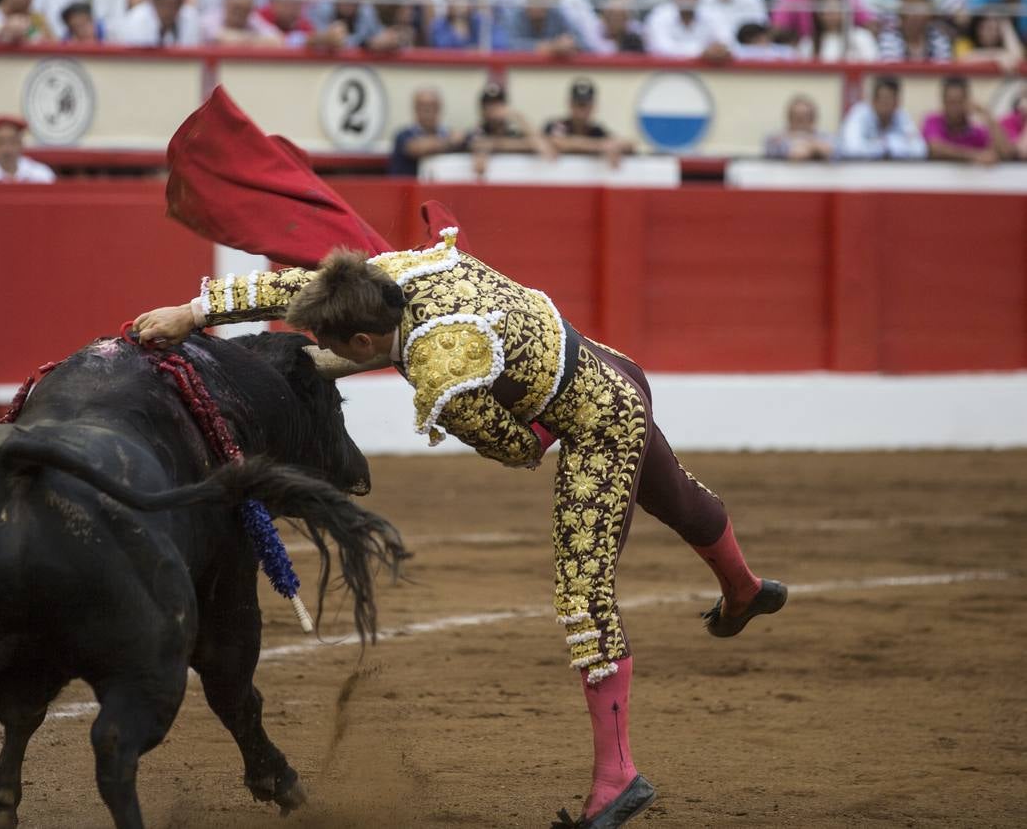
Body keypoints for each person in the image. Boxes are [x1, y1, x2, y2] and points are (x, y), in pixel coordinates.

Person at [132, 183, 787, 829]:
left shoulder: (443, 367)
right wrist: (195, 312)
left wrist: (551, 419)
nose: (325, 350)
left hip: (597, 422)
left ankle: (618, 778)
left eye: (333, 345)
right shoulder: (392, 272)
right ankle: (744, 588)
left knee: (583, 594)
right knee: (677, 498)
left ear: (364, 343)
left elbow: (517, 448)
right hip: (609, 365)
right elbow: (296, 291)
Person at [466, 82, 557, 176]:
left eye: (498, 104)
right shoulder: (477, 131)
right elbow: (479, 152)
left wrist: (518, 119)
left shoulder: (514, 132)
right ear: (482, 109)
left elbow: (546, 150)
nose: (493, 109)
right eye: (488, 105)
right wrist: (522, 145)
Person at [542, 78, 636, 166]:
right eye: (579, 104)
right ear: (570, 104)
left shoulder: (596, 131)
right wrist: (600, 146)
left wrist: (616, 146)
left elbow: (627, 144)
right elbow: (558, 142)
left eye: (586, 105)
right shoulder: (557, 125)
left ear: (593, 106)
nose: (582, 110)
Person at [921, 74, 1012, 162]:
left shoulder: (977, 132)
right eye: (950, 102)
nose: (954, 108)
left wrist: (986, 115)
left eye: (959, 102)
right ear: (943, 101)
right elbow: (935, 148)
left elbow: (1005, 152)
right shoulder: (932, 121)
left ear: (967, 101)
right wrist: (975, 155)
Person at [644, 0, 732, 60]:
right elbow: (661, 48)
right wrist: (703, 52)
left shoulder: (712, 14)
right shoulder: (659, 15)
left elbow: (726, 43)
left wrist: (720, 50)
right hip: (666, 70)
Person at [838, 75, 929, 159]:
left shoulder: (902, 116)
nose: (888, 105)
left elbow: (920, 149)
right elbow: (851, 149)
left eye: (892, 100)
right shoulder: (859, 114)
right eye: (884, 99)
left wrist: (888, 144)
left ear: (897, 102)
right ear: (873, 101)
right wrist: (884, 146)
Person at [388, 86, 465, 176]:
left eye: (432, 106)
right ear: (415, 109)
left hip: (440, 187)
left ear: (439, 108)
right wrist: (450, 141)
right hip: (408, 188)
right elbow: (417, 148)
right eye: (423, 106)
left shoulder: (447, 132)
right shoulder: (403, 135)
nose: (428, 110)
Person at [106, 0, 201, 46]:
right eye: (164, 5)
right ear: (154, 2)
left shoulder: (191, 18)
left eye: (174, 5)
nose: (169, 11)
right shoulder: (136, 20)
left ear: (181, 4)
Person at [0, 115, 56, 183]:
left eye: (13, 142)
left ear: (21, 144)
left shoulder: (41, 175)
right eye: (0, 143)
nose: (7, 149)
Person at [764, 94, 836, 159]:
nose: (801, 121)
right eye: (797, 116)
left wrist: (809, 147)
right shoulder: (775, 138)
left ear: (813, 118)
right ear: (789, 117)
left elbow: (834, 151)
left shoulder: (826, 137)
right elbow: (773, 151)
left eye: (806, 116)